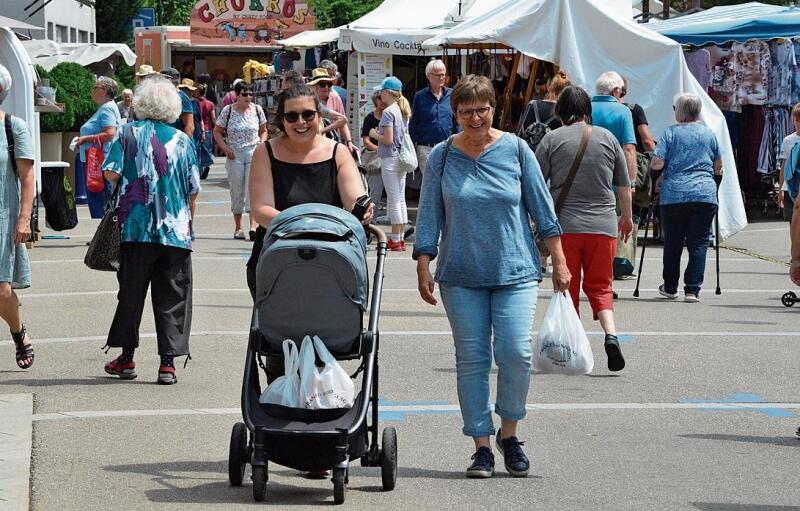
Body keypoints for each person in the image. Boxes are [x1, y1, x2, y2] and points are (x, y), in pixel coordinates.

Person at [414, 74, 570, 479]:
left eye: (481, 109)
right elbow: (429, 213)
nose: (475, 118)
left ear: (493, 108)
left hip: (515, 270)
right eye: (466, 112)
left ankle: (510, 434)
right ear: (455, 114)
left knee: (516, 354)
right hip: (460, 274)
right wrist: (423, 262)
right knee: (472, 360)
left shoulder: (517, 151)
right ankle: (481, 445)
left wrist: (560, 261)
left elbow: (543, 210)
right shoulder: (444, 157)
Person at [101, 76, 201, 385]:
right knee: (172, 294)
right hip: (174, 232)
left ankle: (127, 359)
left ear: (141, 105)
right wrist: (187, 223)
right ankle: (167, 364)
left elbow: (110, 173)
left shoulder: (126, 133)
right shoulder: (182, 140)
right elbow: (192, 188)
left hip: (135, 228)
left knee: (131, 293)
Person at [246, 83, 372, 325]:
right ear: (282, 120)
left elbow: (353, 198)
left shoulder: (338, 152)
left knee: (332, 331)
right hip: (278, 255)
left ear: (319, 116)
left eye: (308, 115)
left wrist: (362, 209)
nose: (300, 122)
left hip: (331, 255)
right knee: (280, 338)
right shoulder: (265, 152)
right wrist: (305, 227)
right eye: (291, 116)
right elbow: (261, 209)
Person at [535, 86, 632, 371]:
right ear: (587, 110)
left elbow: (537, 185)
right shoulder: (609, 139)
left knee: (567, 288)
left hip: (565, 227)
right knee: (602, 287)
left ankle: (573, 347)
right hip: (603, 225)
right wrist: (625, 217)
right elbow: (624, 185)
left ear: (560, 112)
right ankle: (611, 335)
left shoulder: (551, 140)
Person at [651, 93, 722, 303]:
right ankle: (692, 289)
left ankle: (670, 287)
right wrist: (713, 182)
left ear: (678, 111)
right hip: (704, 194)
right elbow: (719, 166)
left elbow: (657, 162)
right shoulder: (709, 134)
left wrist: (655, 177)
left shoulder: (669, 133)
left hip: (674, 194)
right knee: (698, 243)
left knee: (673, 243)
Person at [0, 64, 35, 369]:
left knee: (2, 289)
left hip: (4, 216)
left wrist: (24, 219)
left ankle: (18, 332)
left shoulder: (14, 127)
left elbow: (27, 177)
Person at [214, 80, 268, 240]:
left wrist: (262, 143)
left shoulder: (257, 110)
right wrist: (225, 148)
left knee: (253, 189)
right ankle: (238, 227)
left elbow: (264, 131)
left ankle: (253, 226)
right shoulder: (228, 110)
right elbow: (217, 132)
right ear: (237, 95)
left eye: (251, 94)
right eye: (245, 94)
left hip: (253, 152)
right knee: (237, 190)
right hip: (234, 153)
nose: (249, 97)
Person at [369, 76, 412, 251]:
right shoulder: (402, 110)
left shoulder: (388, 112)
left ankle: (395, 238)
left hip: (390, 158)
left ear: (388, 92)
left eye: (382, 92)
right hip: (401, 158)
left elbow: (387, 139)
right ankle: (399, 238)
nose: (380, 95)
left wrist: (374, 134)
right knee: (400, 199)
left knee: (394, 200)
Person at [74, 76, 121, 219]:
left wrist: (85, 139)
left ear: (104, 91)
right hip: (97, 159)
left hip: (99, 160)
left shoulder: (107, 109)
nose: (92, 90)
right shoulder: (106, 108)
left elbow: (110, 133)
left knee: (100, 196)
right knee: (100, 197)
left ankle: (105, 235)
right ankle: (104, 234)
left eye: (96, 87)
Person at [408, 59, 459, 179]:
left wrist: (458, 140)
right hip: (426, 148)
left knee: (446, 180)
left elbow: (456, 121)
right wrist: (412, 147)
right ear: (429, 76)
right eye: (438, 75)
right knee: (431, 182)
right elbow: (414, 122)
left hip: (447, 147)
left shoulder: (451, 95)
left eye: (443, 74)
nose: (442, 78)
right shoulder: (420, 97)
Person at [591, 71, 637, 186]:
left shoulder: (584, 108)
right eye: (622, 92)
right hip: (613, 180)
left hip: (585, 178)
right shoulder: (623, 111)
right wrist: (631, 181)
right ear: (616, 90)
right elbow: (629, 148)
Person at [307, 68, 356, 152]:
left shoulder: (335, 97)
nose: (326, 87)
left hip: (331, 143)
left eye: (329, 84)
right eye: (322, 84)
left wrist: (349, 141)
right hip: (312, 144)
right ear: (314, 86)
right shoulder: (308, 100)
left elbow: (343, 121)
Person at [518, 71, 571, 139]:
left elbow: (520, 130)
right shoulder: (564, 113)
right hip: (549, 149)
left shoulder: (533, 104)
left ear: (551, 89)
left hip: (529, 147)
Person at [361, 87, 385, 208]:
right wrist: (378, 149)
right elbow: (366, 141)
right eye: (378, 98)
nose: (381, 101)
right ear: (375, 100)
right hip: (374, 160)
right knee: (374, 194)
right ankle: (371, 221)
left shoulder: (391, 116)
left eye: (383, 98)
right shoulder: (369, 118)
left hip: (390, 159)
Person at [778, 104, 800, 223]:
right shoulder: (788, 140)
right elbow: (784, 167)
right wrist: (781, 189)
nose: (798, 123)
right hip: (790, 187)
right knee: (793, 221)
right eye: (796, 120)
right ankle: (795, 242)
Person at [160, 67, 195, 140]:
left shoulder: (182, 97)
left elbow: (190, 126)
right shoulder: (167, 96)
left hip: (177, 143)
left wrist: (182, 145)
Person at [197, 84, 216, 179]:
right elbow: (213, 118)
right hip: (208, 129)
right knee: (208, 150)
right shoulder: (210, 104)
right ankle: (207, 166)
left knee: (199, 150)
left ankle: (201, 170)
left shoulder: (195, 103)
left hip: (198, 129)